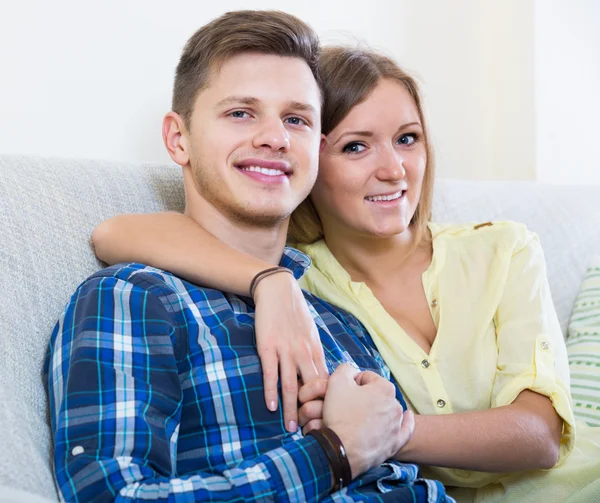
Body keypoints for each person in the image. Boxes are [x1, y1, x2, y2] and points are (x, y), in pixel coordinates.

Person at [92, 41, 600, 502]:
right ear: (315, 160)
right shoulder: (306, 280)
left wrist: (385, 432)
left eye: (408, 138)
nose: (394, 169)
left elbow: (540, 436)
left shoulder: (500, 249)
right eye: (356, 146)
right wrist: (270, 282)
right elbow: (113, 234)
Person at [44, 11, 455, 503]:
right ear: (179, 138)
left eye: (297, 119)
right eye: (241, 113)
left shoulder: (336, 315)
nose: (275, 138)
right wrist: (334, 452)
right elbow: (109, 495)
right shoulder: (135, 299)